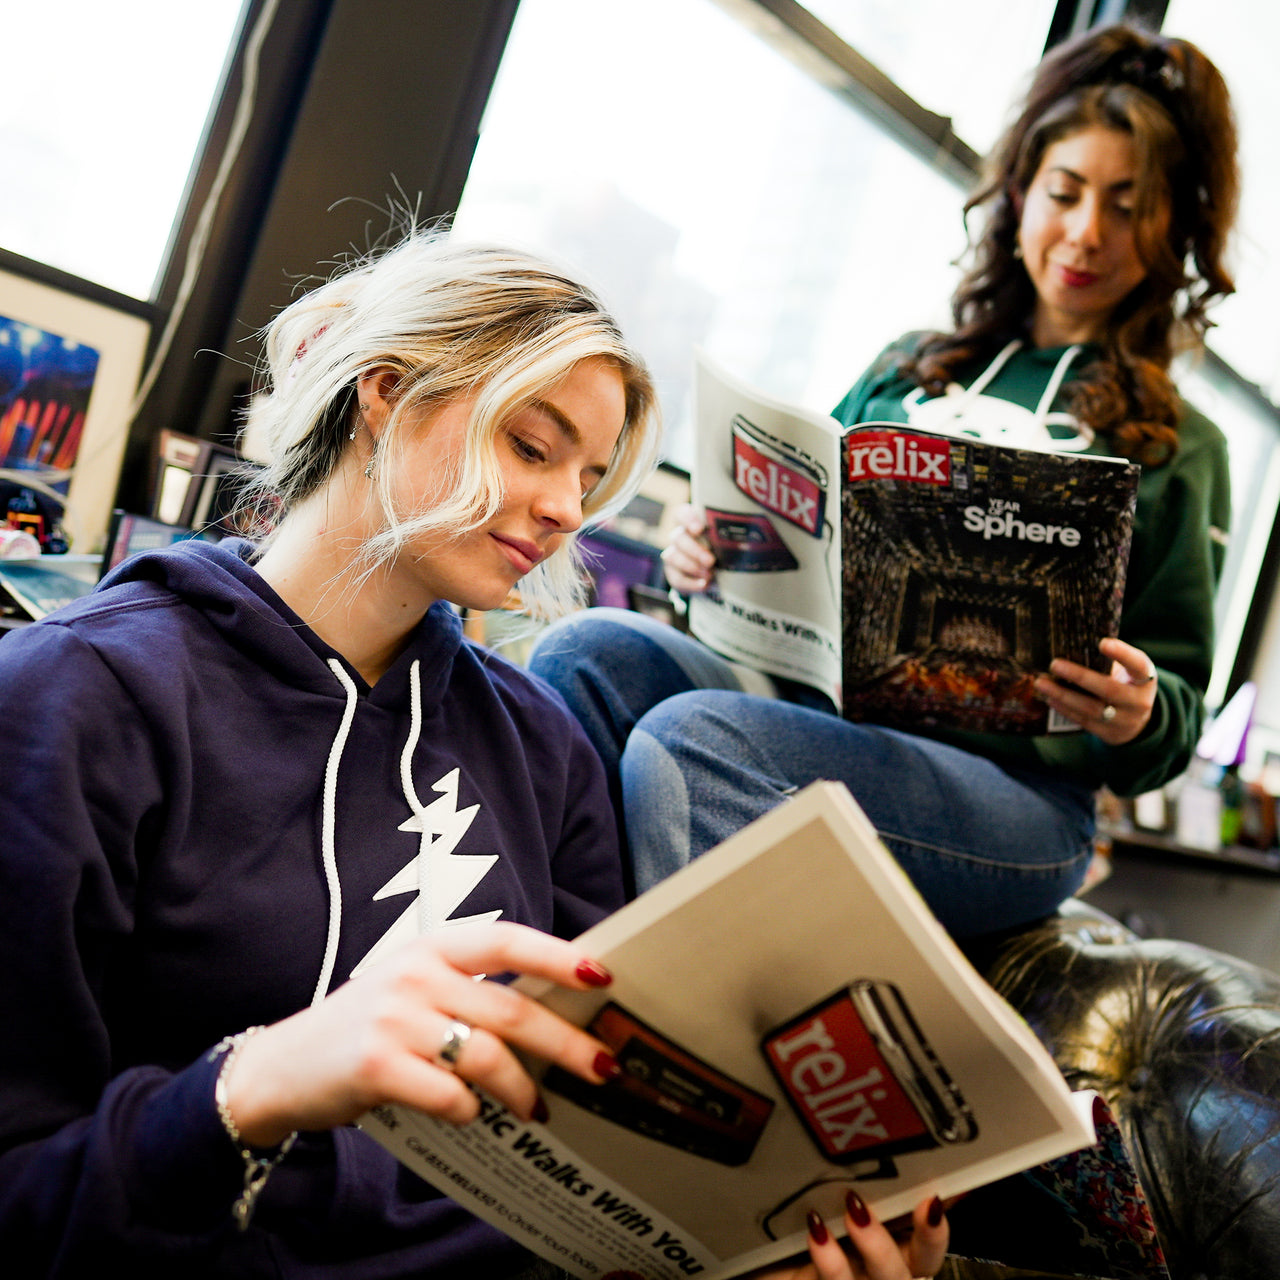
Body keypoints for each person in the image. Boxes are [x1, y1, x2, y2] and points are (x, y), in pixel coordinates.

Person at [0, 232, 947, 1280]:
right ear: (385, 393)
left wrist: (749, 1246)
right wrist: (247, 1085)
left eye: (589, 476)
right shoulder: (75, 698)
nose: (567, 508)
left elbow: (598, 1150)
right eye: (532, 447)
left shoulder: (542, 745)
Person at [529, 22, 1239, 940]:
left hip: (1018, 795)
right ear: (1020, 194)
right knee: (584, 653)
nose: (1087, 231)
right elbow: (798, 532)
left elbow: (1176, 720)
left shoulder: (1183, 445)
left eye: (1127, 205)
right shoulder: (910, 371)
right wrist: (715, 550)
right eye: (1065, 192)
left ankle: (648, 1029)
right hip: (824, 712)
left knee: (696, 741)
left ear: (1171, 228)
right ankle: (532, 962)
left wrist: (1138, 711)